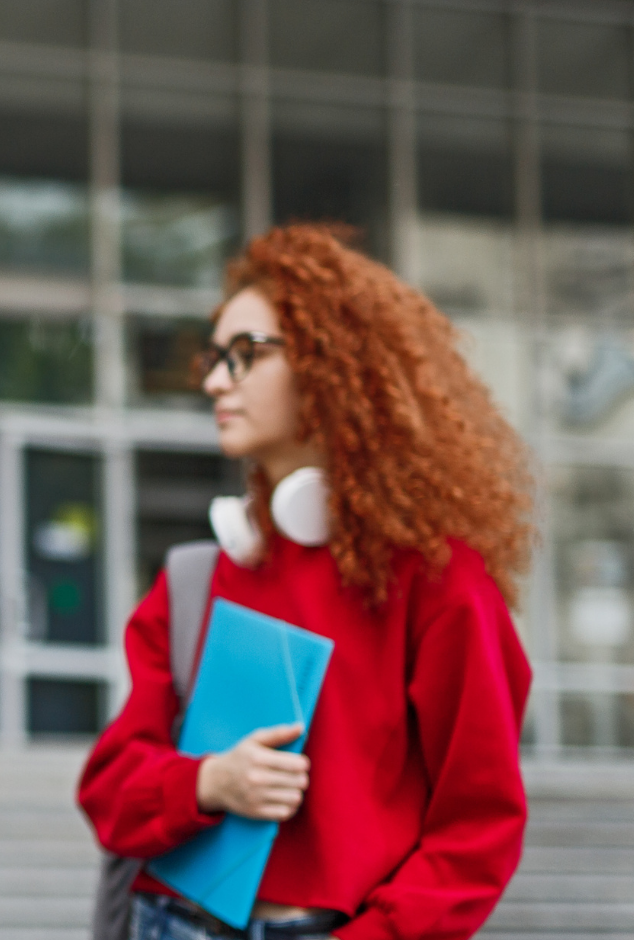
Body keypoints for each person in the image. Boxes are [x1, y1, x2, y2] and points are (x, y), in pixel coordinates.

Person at [77, 226, 534, 940]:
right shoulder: (203, 575)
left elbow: (478, 829)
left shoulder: (440, 583)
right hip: (169, 921)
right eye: (214, 358)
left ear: (332, 365)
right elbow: (109, 790)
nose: (213, 382)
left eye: (245, 356)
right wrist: (207, 782)